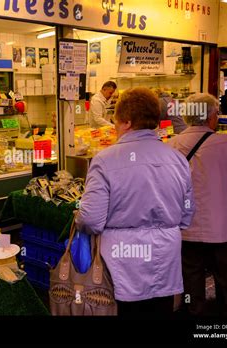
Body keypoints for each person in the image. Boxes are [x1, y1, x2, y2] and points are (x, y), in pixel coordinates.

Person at [76, 87, 195, 317]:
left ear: (127, 122)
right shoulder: (177, 158)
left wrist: (79, 218)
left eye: (116, 121)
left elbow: (91, 219)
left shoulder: (104, 160)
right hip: (165, 260)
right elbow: (187, 214)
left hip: (122, 266)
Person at [168, 93, 227, 315]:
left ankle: (194, 314)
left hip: (186, 228)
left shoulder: (171, 145)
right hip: (223, 227)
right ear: (211, 117)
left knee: (191, 279)